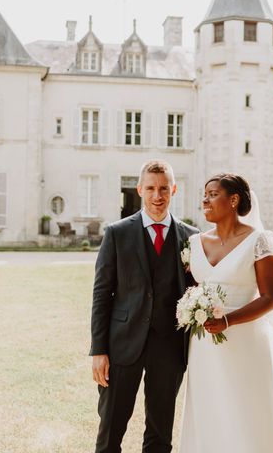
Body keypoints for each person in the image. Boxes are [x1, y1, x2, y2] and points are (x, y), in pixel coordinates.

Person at [179, 173, 273, 453]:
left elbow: (271, 298)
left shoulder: (260, 240)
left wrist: (228, 320)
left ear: (233, 200)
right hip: (204, 345)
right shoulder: (195, 242)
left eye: (212, 194)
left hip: (246, 340)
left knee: (247, 406)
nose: (205, 200)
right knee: (210, 405)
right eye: (204, 194)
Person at [90, 159, 199, 453]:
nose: (157, 195)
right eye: (150, 188)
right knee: (111, 430)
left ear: (174, 189)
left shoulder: (192, 238)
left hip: (169, 348)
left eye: (164, 188)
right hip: (121, 346)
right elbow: (102, 294)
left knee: (160, 433)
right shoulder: (117, 233)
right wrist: (99, 350)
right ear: (140, 190)